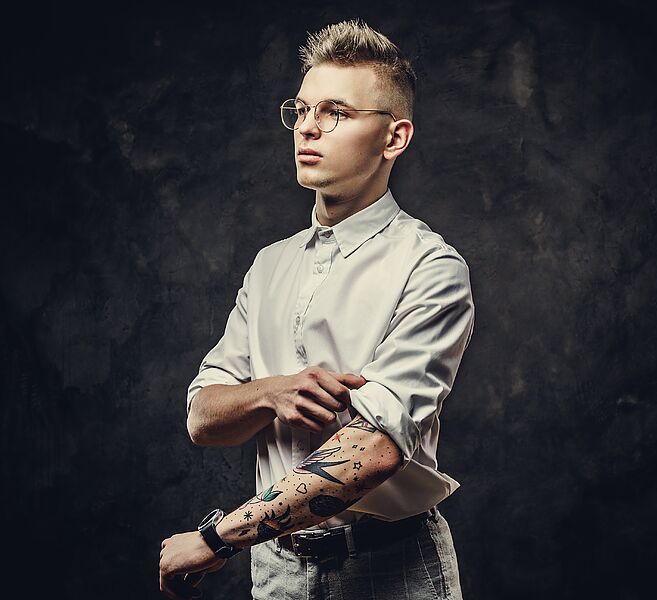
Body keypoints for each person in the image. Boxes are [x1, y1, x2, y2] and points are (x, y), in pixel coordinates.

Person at [159, 18, 475, 600]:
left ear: (394, 138)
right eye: (301, 110)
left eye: (336, 112)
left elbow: (376, 450)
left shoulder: (431, 268)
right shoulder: (269, 266)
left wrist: (219, 538)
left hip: (393, 568)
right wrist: (270, 391)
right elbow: (202, 416)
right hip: (280, 572)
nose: (307, 128)